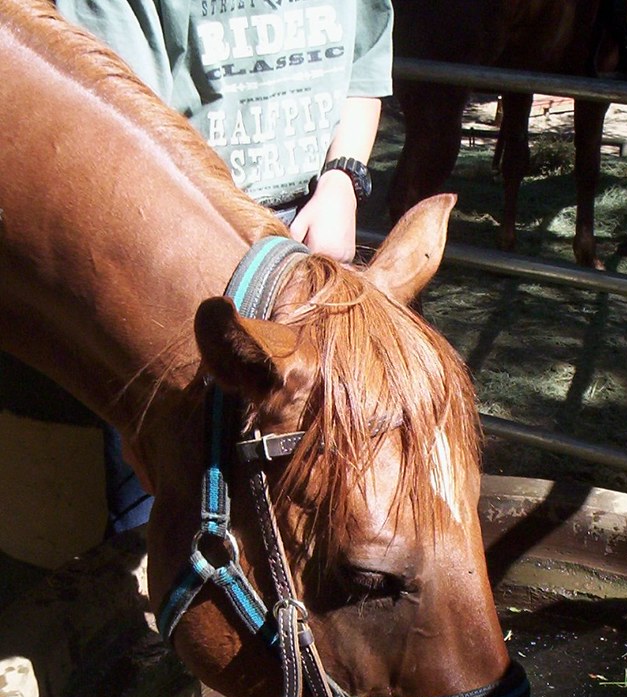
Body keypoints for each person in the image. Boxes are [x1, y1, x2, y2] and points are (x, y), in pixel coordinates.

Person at [54, 0, 394, 533]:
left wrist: (342, 179)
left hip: (308, 229)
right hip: (171, 239)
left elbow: (365, 61)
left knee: (300, 498)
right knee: (165, 501)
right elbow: (117, 123)